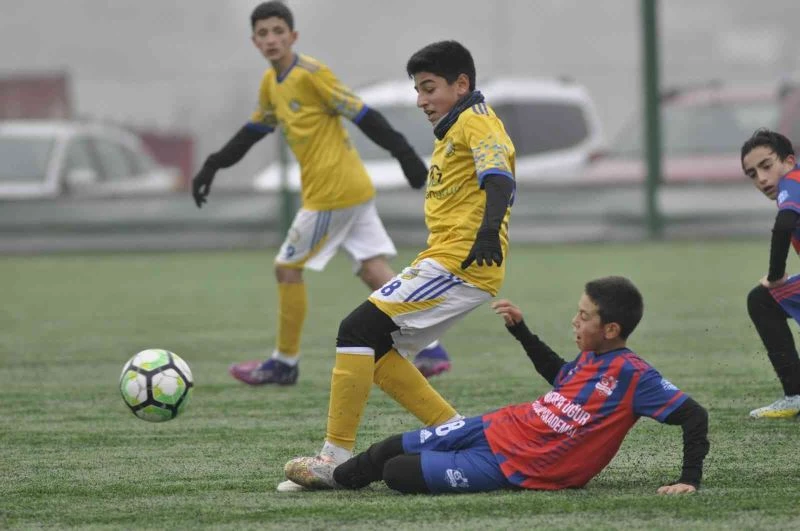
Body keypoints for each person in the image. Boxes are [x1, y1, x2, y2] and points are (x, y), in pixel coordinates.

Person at [282, 40, 516, 492]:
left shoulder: (477, 121)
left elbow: (499, 179)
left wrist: (488, 232)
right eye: (417, 90)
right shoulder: (456, 126)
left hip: (460, 264)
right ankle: (458, 436)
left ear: (461, 84)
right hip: (445, 260)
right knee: (375, 350)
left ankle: (334, 460)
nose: (421, 100)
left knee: (356, 329)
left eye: (429, 88)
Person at [191, 1, 451, 386]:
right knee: (373, 270)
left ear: (293, 36)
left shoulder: (312, 74)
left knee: (286, 268)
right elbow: (253, 132)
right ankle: (432, 349)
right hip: (350, 189)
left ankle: (284, 363)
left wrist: (406, 155)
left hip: (333, 193)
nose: (271, 39)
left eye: (278, 31)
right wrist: (213, 164)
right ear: (255, 41)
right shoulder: (271, 84)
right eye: (263, 33)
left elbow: (363, 114)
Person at [323, 276, 710, 494]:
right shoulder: (591, 357)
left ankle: (332, 478)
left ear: (611, 329)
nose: (575, 321)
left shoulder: (635, 375)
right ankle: (328, 478)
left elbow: (695, 416)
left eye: (584, 315)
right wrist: (521, 331)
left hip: (517, 465)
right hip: (500, 426)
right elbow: (560, 376)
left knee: (397, 472)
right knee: (388, 448)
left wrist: (688, 480)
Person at [742, 128, 800, 418]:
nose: (761, 179)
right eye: (752, 174)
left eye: (766, 166)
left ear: (789, 161)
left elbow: (784, 224)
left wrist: (775, 275)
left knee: (762, 300)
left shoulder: (793, 181)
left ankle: (795, 395)